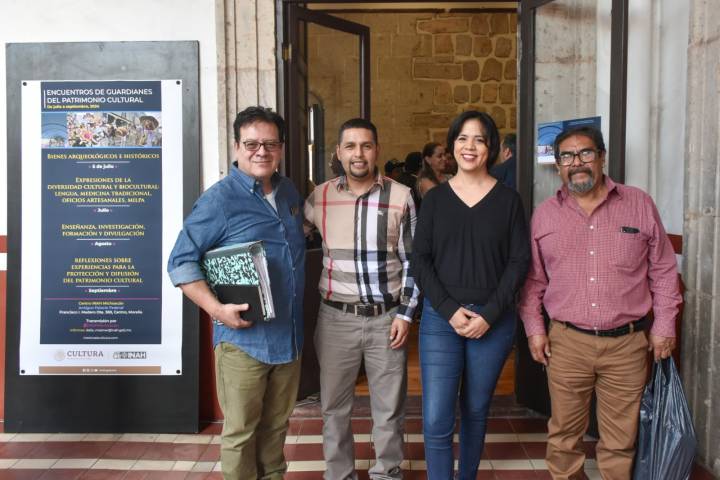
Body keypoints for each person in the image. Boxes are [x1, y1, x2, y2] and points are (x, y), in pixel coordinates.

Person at [518, 125, 681, 479]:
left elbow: (664, 270)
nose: (576, 162)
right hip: (567, 343)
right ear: (558, 165)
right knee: (564, 436)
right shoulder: (545, 215)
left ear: (602, 157)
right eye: (567, 156)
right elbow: (533, 281)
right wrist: (534, 330)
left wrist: (665, 325)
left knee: (620, 440)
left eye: (586, 153)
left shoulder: (639, 204)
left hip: (627, 345)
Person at [167, 106, 305, 480]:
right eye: (252, 144)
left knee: (275, 430)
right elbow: (180, 262)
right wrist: (217, 310)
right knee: (241, 434)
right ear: (236, 147)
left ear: (281, 148)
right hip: (244, 342)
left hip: (289, 338)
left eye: (270, 144)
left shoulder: (289, 191)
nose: (261, 151)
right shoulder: (219, 200)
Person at [412, 111, 530, 479]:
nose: (470, 146)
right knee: (436, 416)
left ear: (490, 147)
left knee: (476, 410)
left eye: (479, 139)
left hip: (492, 322)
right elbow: (420, 261)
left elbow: (519, 262)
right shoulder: (435, 200)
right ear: (452, 145)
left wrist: (489, 314)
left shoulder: (509, 200)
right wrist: (449, 310)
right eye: (462, 138)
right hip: (440, 320)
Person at [304, 118, 419, 480]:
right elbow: (289, 238)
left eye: (366, 146)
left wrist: (406, 314)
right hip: (335, 319)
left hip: (387, 319)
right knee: (334, 408)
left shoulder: (401, 196)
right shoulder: (319, 197)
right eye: (351, 146)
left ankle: (387, 472)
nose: (359, 154)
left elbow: (414, 262)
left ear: (376, 150)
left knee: (389, 408)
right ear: (338, 152)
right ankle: (339, 474)